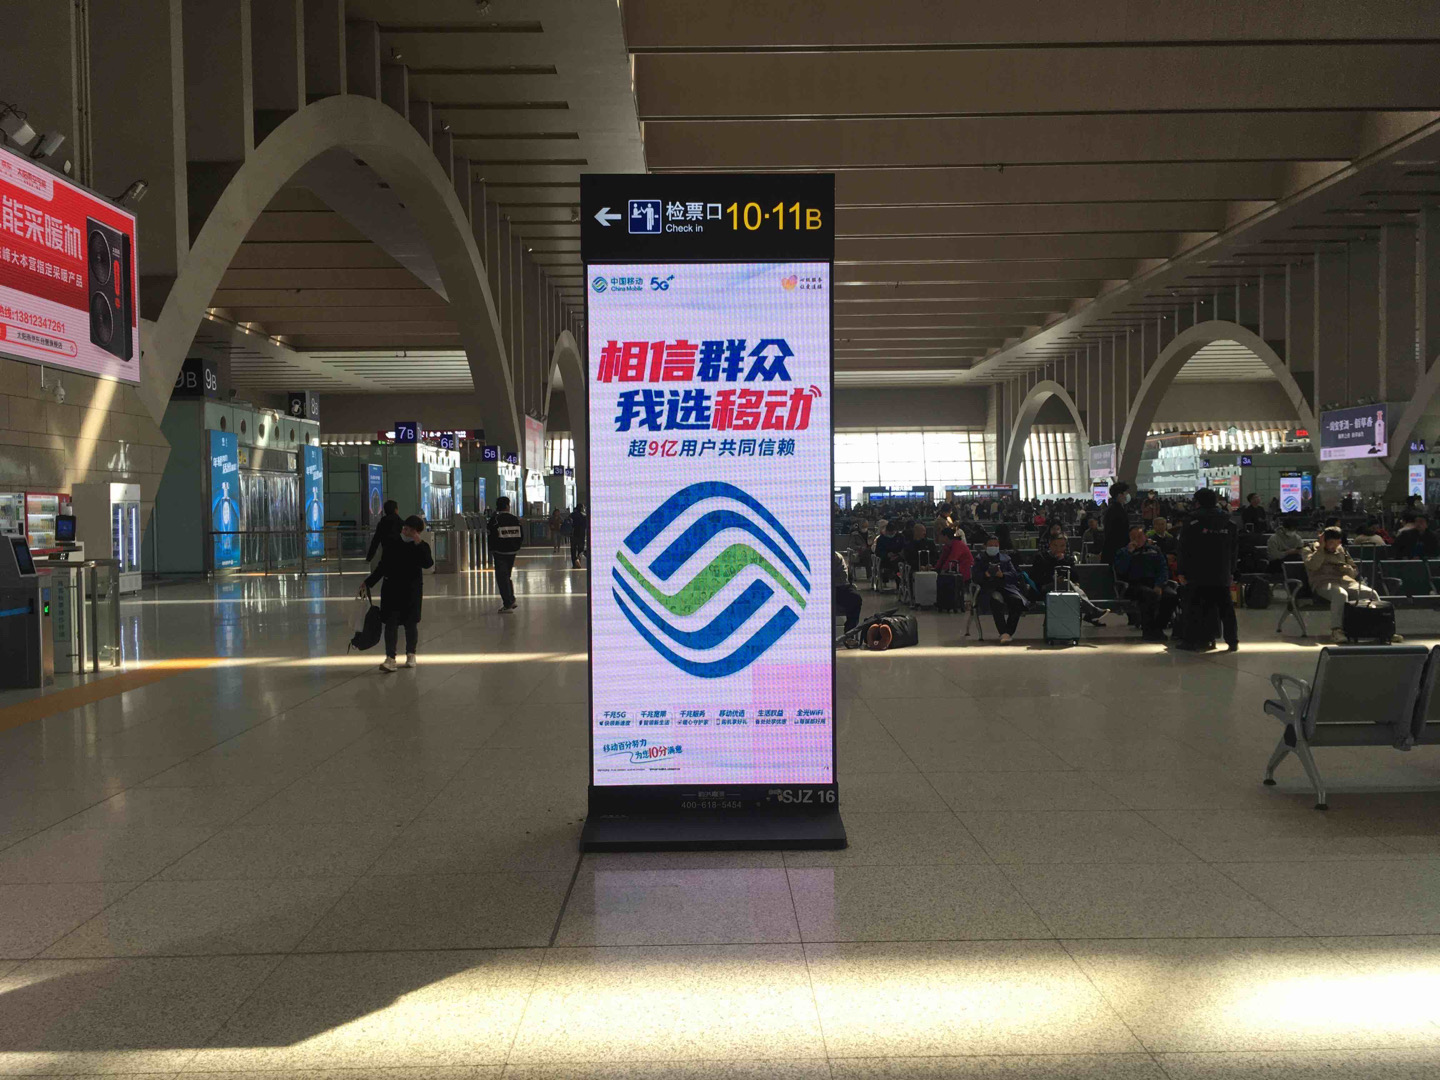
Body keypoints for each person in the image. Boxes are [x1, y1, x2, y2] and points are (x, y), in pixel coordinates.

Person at [361, 514, 433, 672]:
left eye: (411, 531)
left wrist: (418, 543)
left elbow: (428, 563)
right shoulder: (392, 543)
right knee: (390, 624)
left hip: (411, 591)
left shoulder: (422, 546)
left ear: (417, 532)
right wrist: (368, 582)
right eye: (405, 529)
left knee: (411, 624)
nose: (406, 532)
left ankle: (411, 654)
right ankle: (390, 658)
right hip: (392, 590)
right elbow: (382, 566)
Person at [1306, 525, 1396, 644]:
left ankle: (1383, 629)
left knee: (1371, 593)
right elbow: (1313, 566)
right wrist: (1321, 549)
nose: (1334, 547)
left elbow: (1354, 571)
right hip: (1323, 583)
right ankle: (1337, 630)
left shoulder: (1341, 550)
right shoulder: (1310, 549)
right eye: (1331, 543)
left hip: (1346, 581)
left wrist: (1347, 569)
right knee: (1340, 594)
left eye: (1337, 543)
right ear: (1324, 540)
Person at [1176, 486, 1238, 652]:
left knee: (1194, 606)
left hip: (1197, 571)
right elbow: (1234, 549)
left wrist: (1181, 571)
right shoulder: (1228, 521)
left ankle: (1191, 641)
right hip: (1222, 571)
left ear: (1197, 502)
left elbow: (1183, 547)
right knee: (1226, 608)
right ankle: (1232, 641)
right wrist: (1232, 570)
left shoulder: (1192, 521)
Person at [1114, 525, 1178, 642]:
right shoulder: (1123, 552)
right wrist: (1129, 553)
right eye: (1133, 537)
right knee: (1149, 595)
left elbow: (1163, 569)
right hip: (1134, 584)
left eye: (1139, 536)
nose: (1137, 539)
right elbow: (1121, 570)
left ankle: (1158, 627)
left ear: (1144, 536)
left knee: (1171, 596)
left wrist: (1159, 584)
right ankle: (1148, 630)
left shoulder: (1154, 550)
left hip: (1155, 582)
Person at [1032, 534, 1108, 626]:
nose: (1058, 549)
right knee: (1065, 583)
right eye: (1055, 545)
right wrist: (1054, 579)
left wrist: (1063, 562)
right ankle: (1091, 611)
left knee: (1067, 583)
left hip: (1066, 589)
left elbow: (1075, 577)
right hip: (1045, 588)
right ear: (1050, 545)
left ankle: (1091, 612)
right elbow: (1037, 577)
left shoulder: (1067, 559)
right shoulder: (1041, 558)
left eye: (1062, 546)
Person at [972, 532, 1026, 644]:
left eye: (996, 545)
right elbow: (975, 577)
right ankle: (1003, 631)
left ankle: (1008, 632)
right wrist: (985, 575)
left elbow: (1014, 574)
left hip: (1006, 587)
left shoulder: (1006, 559)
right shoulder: (980, 559)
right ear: (985, 546)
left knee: (1017, 601)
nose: (994, 547)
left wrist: (1003, 575)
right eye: (991, 545)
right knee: (996, 601)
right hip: (989, 589)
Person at [488, 496, 523, 613]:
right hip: (512, 552)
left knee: (502, 577)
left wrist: (492, 549)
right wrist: (517, 546)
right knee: (506, 576)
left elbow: (491, 535)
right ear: (507, 506)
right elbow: (521, 535)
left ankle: (508, 603)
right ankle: (511, 599)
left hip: (500, 552)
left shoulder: (495, 519)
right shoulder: (515, 519)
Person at [833, 550, 862, 639]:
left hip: (838, 588)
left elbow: (843, 579)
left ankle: (849, 633)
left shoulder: (836, 557)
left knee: (855, 598)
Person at [1102, 481, 1133, 564]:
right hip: (1117, 551)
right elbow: (1119, 531)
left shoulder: (1113, 509)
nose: (1127, 495)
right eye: (1125, 493)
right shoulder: (1117, 511)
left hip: (1113, 549)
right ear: (1120, 495)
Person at [873, 521, 906, 589]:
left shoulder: (900, 537)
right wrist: (887, 555)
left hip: (898, 557)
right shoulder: (881, 539)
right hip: (885, 560)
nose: (891, 534)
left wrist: (898, 554)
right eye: (890, 533)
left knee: (899, 563)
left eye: (893, 533)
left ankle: (900, 583)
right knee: (896, 564)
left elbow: (904, 548)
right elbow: (878, 552)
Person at [570, 503, 589, 568]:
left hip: (573, 534)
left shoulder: (572, 515)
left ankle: (574, 562)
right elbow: (586, 526)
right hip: (581, 535)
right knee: (580, 549)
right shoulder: (583, 516)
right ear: (581, 508)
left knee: (573, 549)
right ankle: (578, 559)